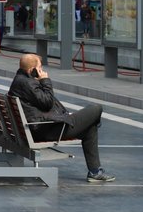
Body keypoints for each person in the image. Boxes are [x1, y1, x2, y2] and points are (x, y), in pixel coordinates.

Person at [8, 53, 115, 182]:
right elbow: (47, 102)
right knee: (96, 108)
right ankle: (94, 171)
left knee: (90, 127)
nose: (42, 71)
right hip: (45, 130)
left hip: (36, 128)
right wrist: (45, 81)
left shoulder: (19, 80)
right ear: (32, 70)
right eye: (40, 68)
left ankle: (95, 171)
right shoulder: (28, 83)